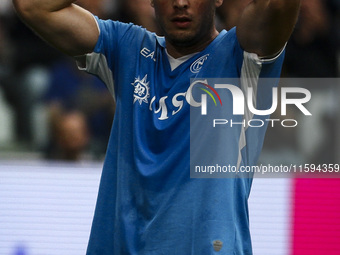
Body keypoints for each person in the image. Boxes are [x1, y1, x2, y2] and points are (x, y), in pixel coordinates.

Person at [12, 0, 300, 254]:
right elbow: (32, 6)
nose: (180, 3)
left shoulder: (241, 58)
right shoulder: (126, 48)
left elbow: (277, 6)